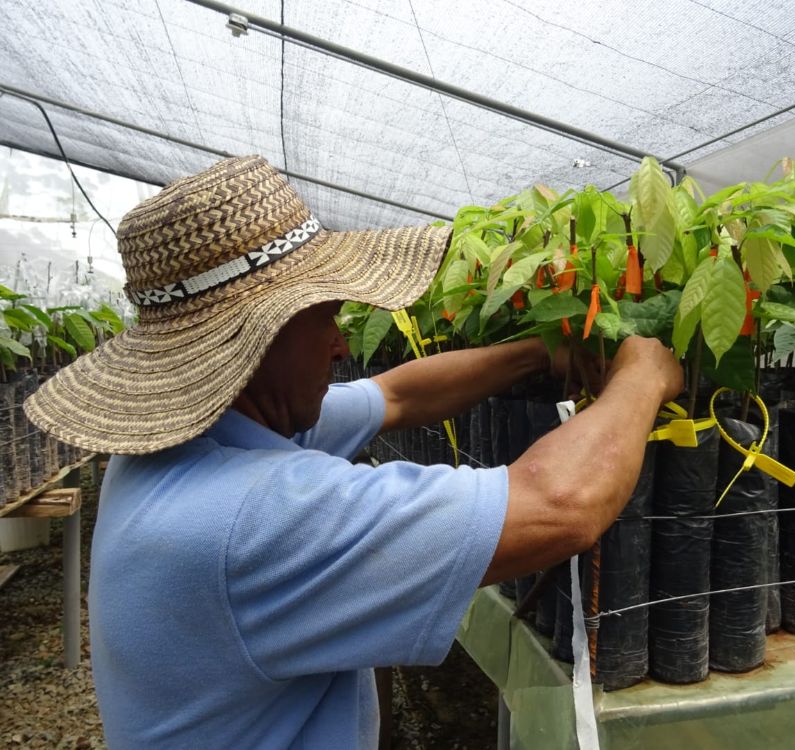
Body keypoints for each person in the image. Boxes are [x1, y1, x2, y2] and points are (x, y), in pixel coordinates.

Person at [25, 155, 683, 749]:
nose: (342, 346)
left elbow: (396, 396)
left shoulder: (186, 443)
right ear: (258, 342)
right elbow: (561, 502)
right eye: (327, 318)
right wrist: (643, 374)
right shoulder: (251, 519)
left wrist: (544, 352)